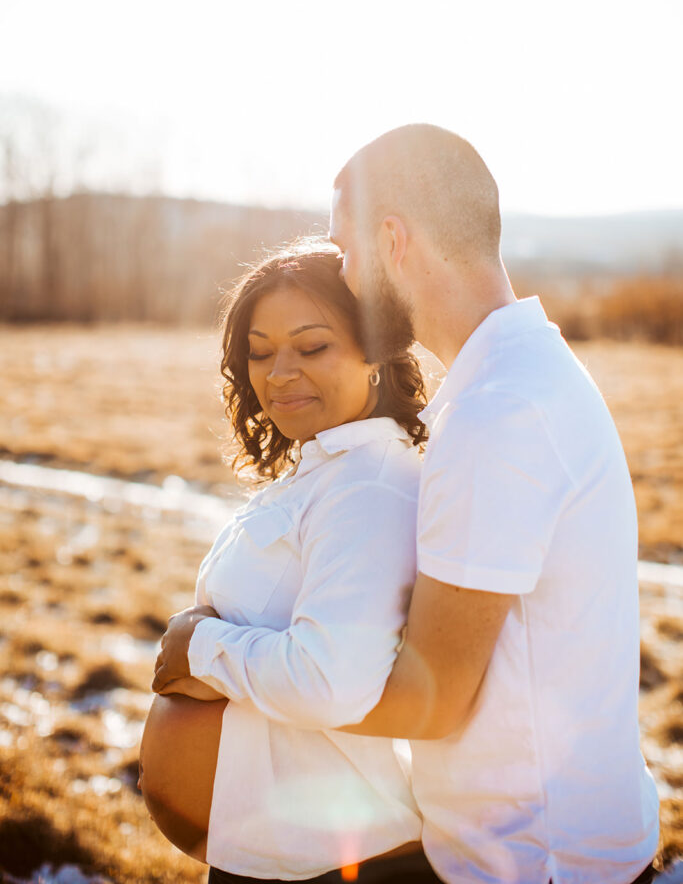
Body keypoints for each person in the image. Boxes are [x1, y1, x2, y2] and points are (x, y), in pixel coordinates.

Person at [327, 123, 660, 884]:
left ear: (392, 239)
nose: (342, 276)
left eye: (345, 251)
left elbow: (431, 700)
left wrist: (243, 682)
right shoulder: (510, 376)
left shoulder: (498, 412)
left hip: (533, 864)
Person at [141, 245, 443, 883]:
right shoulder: (327, 466)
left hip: (338, 863)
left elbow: (328, 681)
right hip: (284, 853)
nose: (278, 373)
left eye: (311, 348)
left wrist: (198, 650)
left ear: (376, 350)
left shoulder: (368, 485)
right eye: (259, 350)